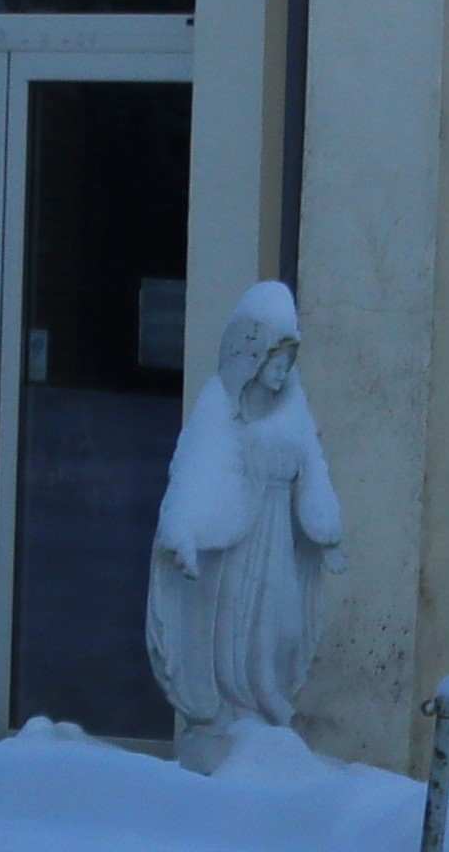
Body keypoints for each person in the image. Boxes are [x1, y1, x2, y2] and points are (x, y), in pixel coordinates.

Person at [145, 280, 339, 760]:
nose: (282, 372)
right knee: (234, 621)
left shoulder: (294, 412)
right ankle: (230, 710)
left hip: (278, 536)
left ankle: (268, 703)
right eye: (275, 361)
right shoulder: (221, 408)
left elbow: (313, 471)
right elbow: (196, 475)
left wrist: (325, 530)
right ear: (252, 358)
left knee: (280, 623)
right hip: (238, 541)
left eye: (288, 363)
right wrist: (185, 534)